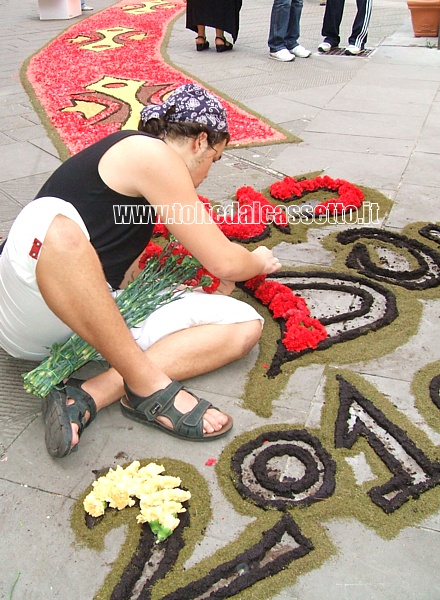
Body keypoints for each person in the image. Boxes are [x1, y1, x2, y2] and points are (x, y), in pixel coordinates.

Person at [0, 84, 281, 458]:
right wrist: (257, 262)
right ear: (199, 141)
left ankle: (88, 395)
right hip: (28, 299)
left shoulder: (147, 180)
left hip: (80, 323)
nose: (210, 173)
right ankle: (148, 385)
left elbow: (123, 276)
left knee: (243, 325)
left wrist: (192, 304)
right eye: (215, 158)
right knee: (56, 226)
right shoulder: (150, 153)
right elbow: (225, 261)